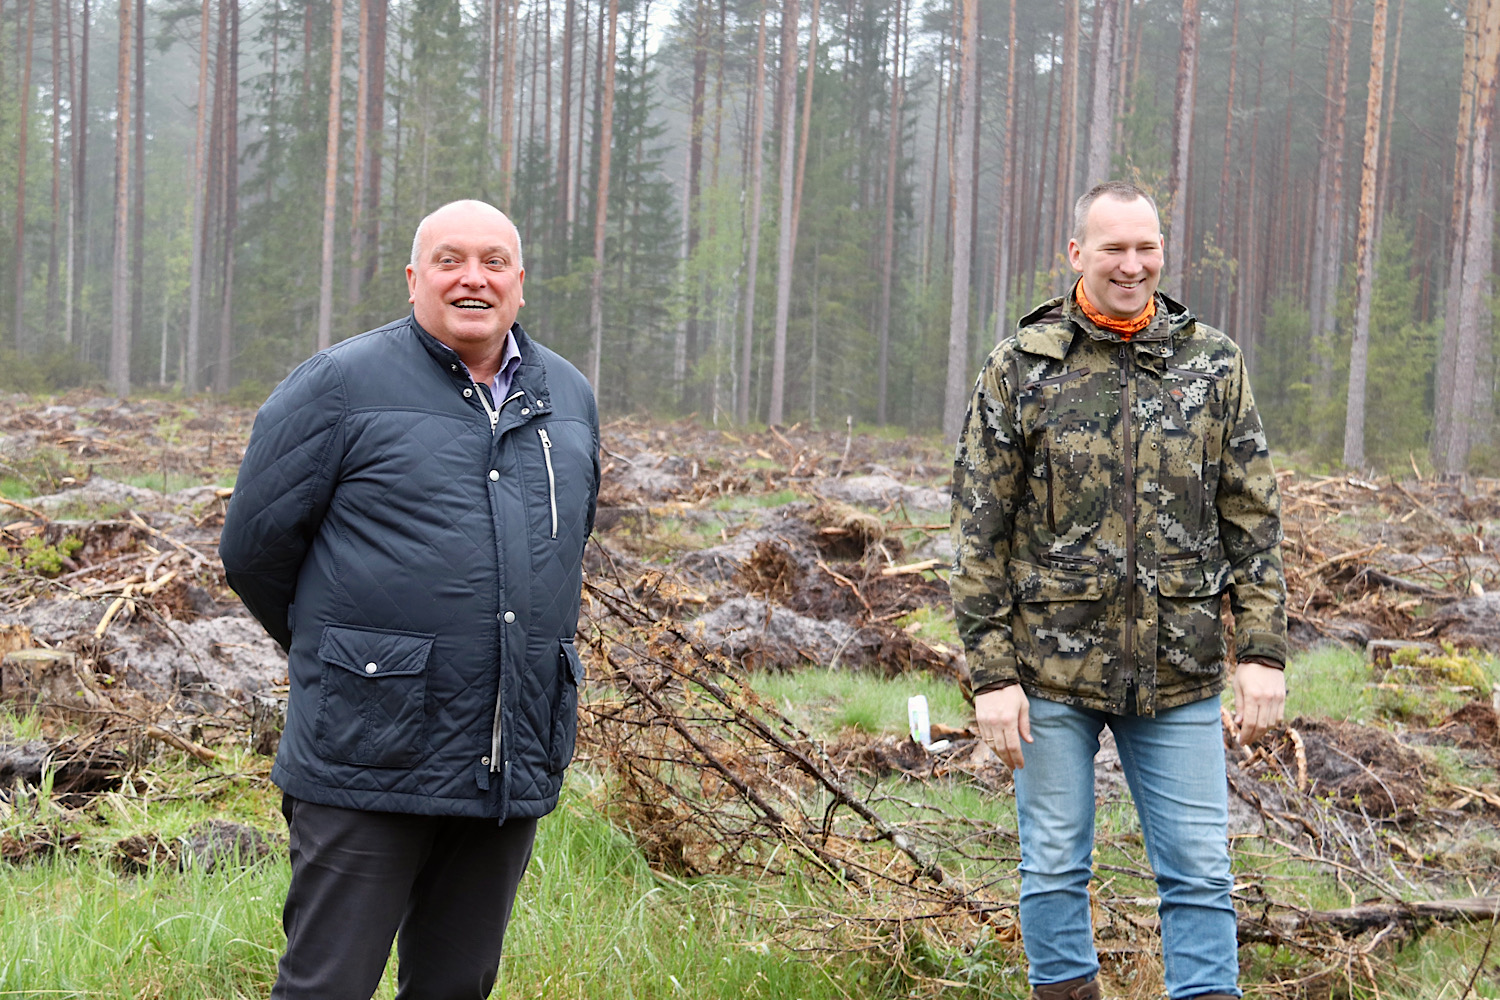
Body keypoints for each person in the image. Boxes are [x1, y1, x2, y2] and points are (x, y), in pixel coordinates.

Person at [220, 199, 599, 1000]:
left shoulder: (568, 396)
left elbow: (566, 553)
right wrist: (358, 662)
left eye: (493, 261)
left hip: (507, 757)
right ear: (413, 278)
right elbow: (253, 553)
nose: (473, 279)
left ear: (520, 281)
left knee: (456, 987)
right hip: (365, 755)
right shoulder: (339, 385)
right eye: (449, 260)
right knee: (326, 987)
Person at [950, 181, 1287, 1000]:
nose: (1132, 265)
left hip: (1180, 670)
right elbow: (978, 531)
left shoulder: (1212, 364)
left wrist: (1263, 654)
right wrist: (991, 677)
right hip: (1049, 671)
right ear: (1077, 253)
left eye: (1146, 248)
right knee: (1053, 866)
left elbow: (1251, 517)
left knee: (1200, 871)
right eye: (1113, 249)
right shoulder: (1021, 367)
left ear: (1162, 250)